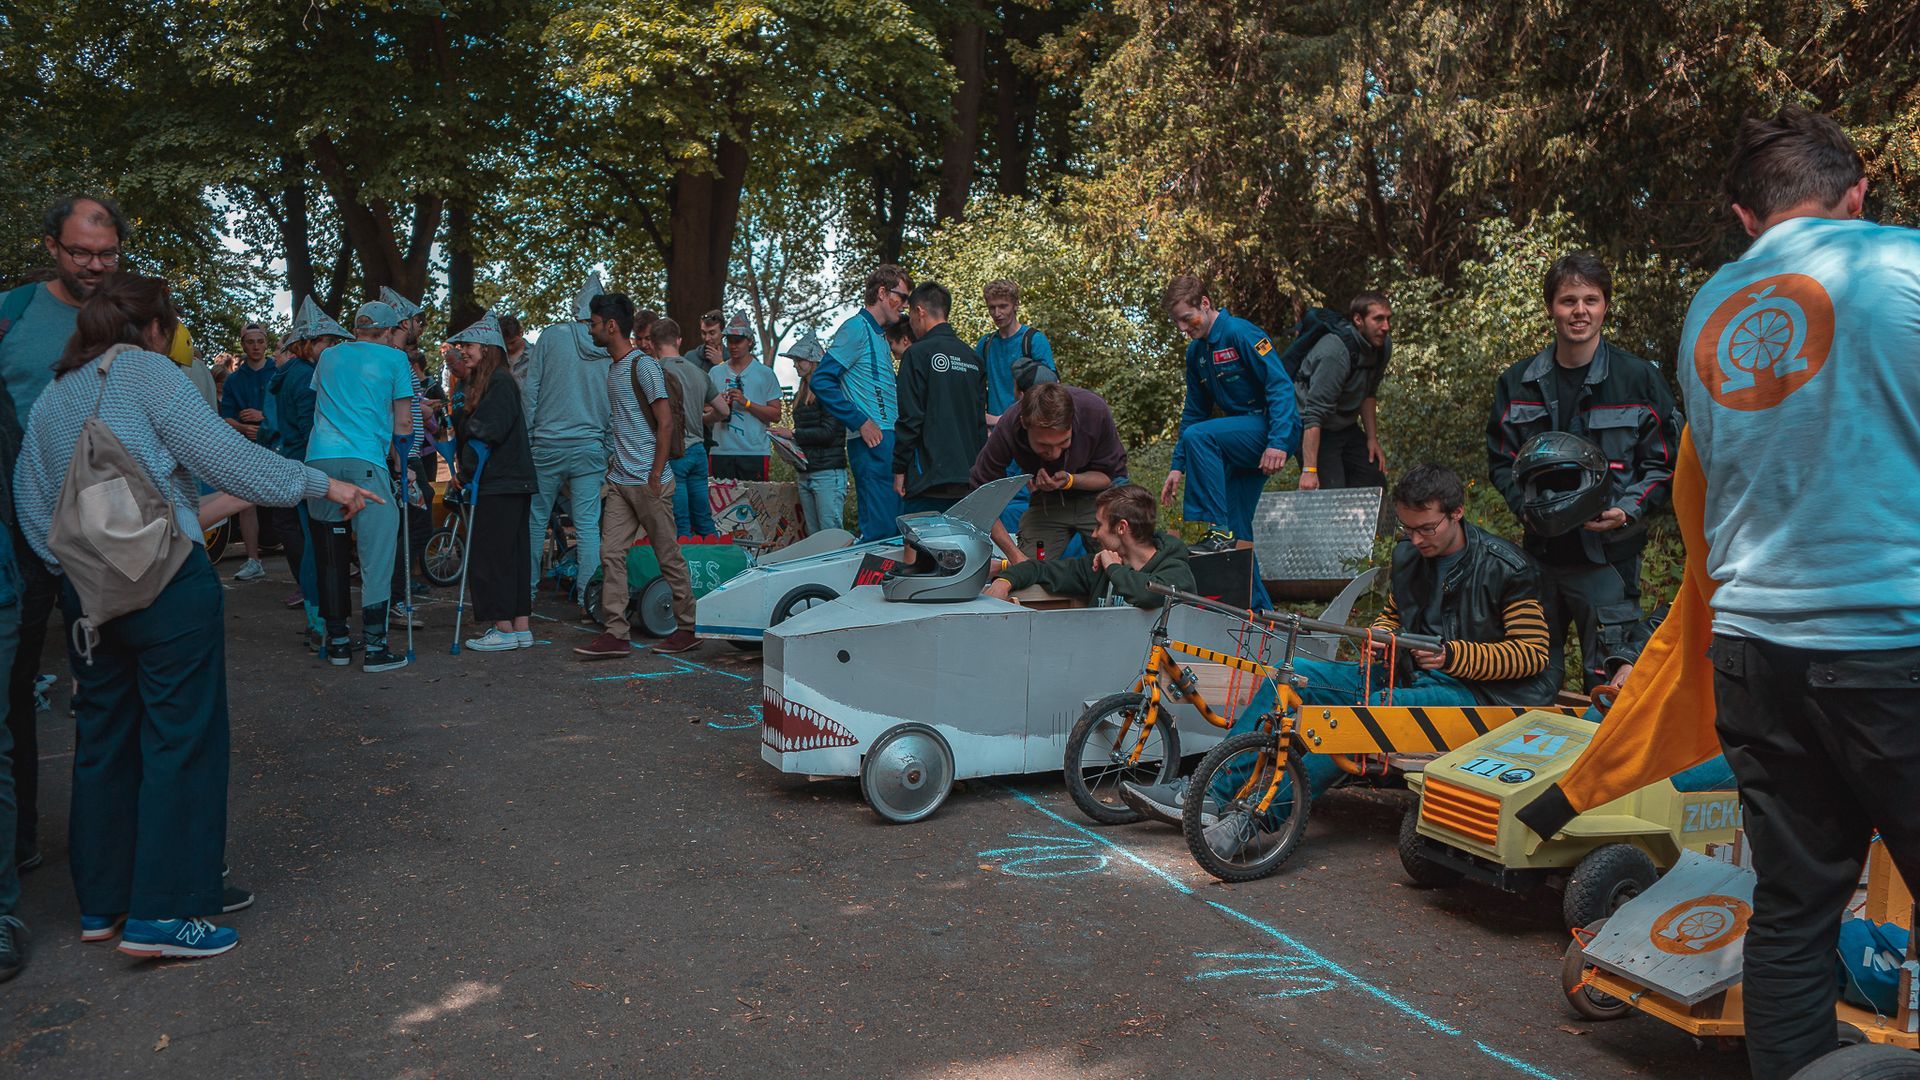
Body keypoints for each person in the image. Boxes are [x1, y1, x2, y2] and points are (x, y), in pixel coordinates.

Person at [13, 272, 378, 960]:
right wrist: (318, 483)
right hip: (165, 585)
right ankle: (167, 913)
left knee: (102, 743)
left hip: (89, 597)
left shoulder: (55, 397)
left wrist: (77, 576)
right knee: (183, 740)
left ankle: (105, 906)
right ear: (153, 326)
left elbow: (34, 509)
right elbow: (226, 458)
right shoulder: (148, 374)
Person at [1684, 108, 1919, 1080]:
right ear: (1857, 194)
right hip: (1887, 640)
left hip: (1751, 646)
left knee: (1794, 903)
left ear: (1747, 216)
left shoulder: (1708, 308)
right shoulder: (1901, 266)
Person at [1120, 464, 1558, 826]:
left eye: (1426, 529)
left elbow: (1532, 654)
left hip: (1479, 693)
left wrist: (1453, 655)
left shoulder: (1508, 568)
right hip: (1414, 674)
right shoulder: (1409, 556)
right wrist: (1382, 637)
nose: (1417, 539)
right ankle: (1205, 794)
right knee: (1289, 682)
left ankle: (1258, 818)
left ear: (1458, 512)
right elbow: (1393, 613)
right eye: (1407, 529)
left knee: (1363, 717)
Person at [0, 195, 129, 876]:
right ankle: (17, 838)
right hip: (19, 530)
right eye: (80, 252)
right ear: (51, 245)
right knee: (14, 686)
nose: (94, 265)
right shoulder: (12, 312)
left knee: (110, 685)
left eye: (106, 254)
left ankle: (108, 855)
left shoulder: (130, 314)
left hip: (110, 530)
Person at [1487, 252, 1680, 690]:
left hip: (1609, 559)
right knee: (1529, 679)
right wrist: (1528, 509)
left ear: (1605, 306)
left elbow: (1666, 461)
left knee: (1610, 680)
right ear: (1550, 306)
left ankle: (1602, 759)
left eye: (1591, 300)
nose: (1580, 311)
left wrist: (1627, 510)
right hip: (1539, 561)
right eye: (1568, 300)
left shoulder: (1638, 379)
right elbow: (1501, 460)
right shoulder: (1517, 383)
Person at [1157, 274, 1299, 610]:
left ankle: (1215, 528)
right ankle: (1260, 612)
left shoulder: (1241, 333)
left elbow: (1280, 387)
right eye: (1176, 322)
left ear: (1205, 304)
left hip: (1273, 428)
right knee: (1239, 534)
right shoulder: (1197, 354)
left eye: (1186, 318)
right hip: (1241, 439)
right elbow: (1194, 411)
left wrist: (1277, 442)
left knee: (1201, 436)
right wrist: (1178, 466)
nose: (1182, 328)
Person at [574, 294, 699, 657]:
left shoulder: (642, 366)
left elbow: (665, 421)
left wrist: (656, 473)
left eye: (594, 324)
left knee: (667, 554)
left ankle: (687, 626)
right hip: (621, 480)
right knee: (611, 553)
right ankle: (616, 633)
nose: (591, 330)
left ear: (611, 326)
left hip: (648, 480)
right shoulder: (612, 367)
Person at [305, 299, 414, 671]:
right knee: (375, 554)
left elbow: (321, 402)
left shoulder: (329, 357)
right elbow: (403, 425)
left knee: (330, 554)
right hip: (365, 460)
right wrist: (403, 466)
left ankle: (337, 641)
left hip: (319, 461)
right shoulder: (396, 359)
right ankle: (375, 647)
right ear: (387, 331)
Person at [446, 312, 536, 652]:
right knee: (511, 553)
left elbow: (485, 433)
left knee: (493, 554)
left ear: (486, 347)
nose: (463, 351)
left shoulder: (498, 382)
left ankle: (504, 626)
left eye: (468, 345)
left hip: (500, 480)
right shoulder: (497, 381)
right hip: (510, 480)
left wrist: (464, 474)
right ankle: (519, 625)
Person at [522, 274, 613, 609]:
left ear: (576, 309)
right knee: (588, 525)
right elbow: (616, 402)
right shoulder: (608, 347)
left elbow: (531, 390)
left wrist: (530, 436)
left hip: (547, 442)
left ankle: (527, 592)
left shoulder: (551, 337)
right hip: (590, 446)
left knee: (535, 519)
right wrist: (608, 448)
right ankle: (588, 598)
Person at [970, 373, 1127, 562]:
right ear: (1024, 425)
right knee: (1027, 570)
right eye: (1043, 445)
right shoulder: (1010, 425)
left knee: (1122, 563)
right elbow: (982, 495)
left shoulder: (1094, 412)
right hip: (1046, 502)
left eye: (1064, 442)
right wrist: (1015, 556)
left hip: (1099, 499)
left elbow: (1108, 476)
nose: (1055, 454)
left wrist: (1070, 480)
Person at [813, 265, 913, 541]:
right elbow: (821, 380)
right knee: (880, 531)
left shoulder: (880, 335)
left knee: (894, 530)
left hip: (888, 440)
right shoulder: (855, 328)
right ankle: (870, 583)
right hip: (872, 441)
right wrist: (860, 421)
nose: (905, 306)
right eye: (902, 297)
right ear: (882, 293)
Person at [983, 485, 1190, 607]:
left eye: (1099, 525)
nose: (1094, 533)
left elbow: (1148, 593)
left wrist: (1113, 569)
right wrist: (1004, 581)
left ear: (1121, 527)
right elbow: (1041, 569)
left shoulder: (1175, 569)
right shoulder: (1096, 565)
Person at [892, 283, 987, 514]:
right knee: (963, 546)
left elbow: (910, 418)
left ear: (919, 311)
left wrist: (899, 468)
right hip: (968, 476)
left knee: (922, 546)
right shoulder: (973, 358)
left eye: (911, 315)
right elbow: (979, 422)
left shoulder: (916, 354)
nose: (911, 324)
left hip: (929, 477)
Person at [977, 279, 1057, 534]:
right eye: (992, 307)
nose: (997, 313)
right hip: (995, 434)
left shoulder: (1033, 340)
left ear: (1015, 305)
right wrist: (986, 419)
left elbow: (1048, 387)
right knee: (997, 500)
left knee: (1026, 498)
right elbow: (974, 387)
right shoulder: (985, 344)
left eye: (1003, 306)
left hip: (1026, 431)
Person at [267, 308, 324, 643]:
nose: (329, 349)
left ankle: (315, 617)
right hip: (305, 464)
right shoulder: (303, 375)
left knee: (307, 543)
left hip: (293, 460)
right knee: (314, 547)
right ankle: (318, 620)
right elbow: (308, 427)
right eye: (324, 342)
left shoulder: (291, 374)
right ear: (308, 344)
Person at [1295, 292, 1391, 492]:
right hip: (1313, 427)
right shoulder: (1335, 353)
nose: (1385, 327)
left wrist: (1372, 439)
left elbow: (1368, 393)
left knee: (1374, 480)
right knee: (1331, 491)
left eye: (1388, 319)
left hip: (1344, 426)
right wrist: (1310, 470)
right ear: (1358, 319)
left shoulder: (1381, 346)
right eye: (1378, 319)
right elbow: (1313, 413)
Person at [217, 323, 278, 583]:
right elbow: (225, 416)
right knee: (245, 502)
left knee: (288, 501)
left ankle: (303, 557)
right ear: (243, 345)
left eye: (259, 341)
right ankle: (253, 559)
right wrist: (244, 427)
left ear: (266, 343)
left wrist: (263, 419)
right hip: (247, 447)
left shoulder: (279, 372)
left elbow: (291, 411)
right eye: (250, 342)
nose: (255, 346)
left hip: (277, 445)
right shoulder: (234, 380)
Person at [651, 318, 721, 538]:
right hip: (699, 452)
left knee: (680, 524)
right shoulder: (699, 372)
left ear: (653, 344)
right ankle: (718, 567)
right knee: (704, 520)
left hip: (673, 453)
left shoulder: (654, 372)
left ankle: (685, 571)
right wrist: (701, 419)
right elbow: (724, 411)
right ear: (679, 341)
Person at [773, 332, 847, 534]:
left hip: (827, 473)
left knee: (831, 535)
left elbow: (830, 432)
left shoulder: (830, 389)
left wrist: (793, 434)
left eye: (799, 359)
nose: (795, 364)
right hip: (807, 471)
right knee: (815, 536)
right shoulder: (802, 393)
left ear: (813, 360)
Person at [704, 312, 782, 481]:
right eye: (730, 340)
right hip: (720, 451)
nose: (733, 345)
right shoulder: (715, 372)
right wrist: (719, 406)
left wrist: (746, 403)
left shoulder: (765, 373)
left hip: (754, 452)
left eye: (738, 341)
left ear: (750, 341)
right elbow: (705, 409)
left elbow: (776, 415)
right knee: (720, 506)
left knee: (754, 505)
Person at [500, 314, 529, 386]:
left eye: (513, 342)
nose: (509, 347)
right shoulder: (497, 356)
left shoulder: (536, 355)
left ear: (521, 333)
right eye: (505, 343)